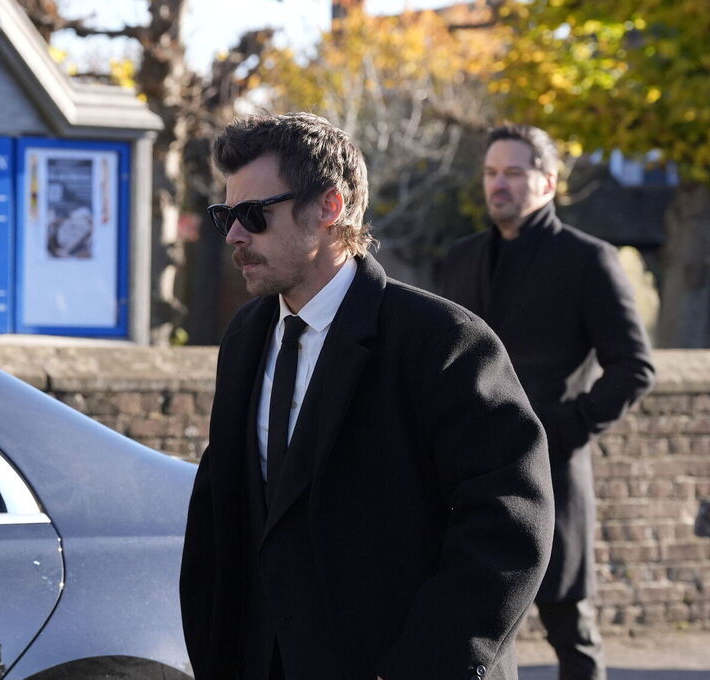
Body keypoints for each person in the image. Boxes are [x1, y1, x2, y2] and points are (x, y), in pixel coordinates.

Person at [180, 112, 555, 680]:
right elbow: (222, 512)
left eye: (255, 215)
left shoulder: (443, 342)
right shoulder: (246, 335)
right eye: (225, 215)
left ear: (329, 208)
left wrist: (427, 664)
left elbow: (509, 525)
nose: (234, 234)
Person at [442, 124, 655, 680]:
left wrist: (555, 430)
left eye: (514, 172)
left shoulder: (590, 261)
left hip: (553, 479)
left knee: (573, 637)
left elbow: (634, 368)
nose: (499, 184)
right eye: (491, 173)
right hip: (465, 482)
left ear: (548, 181)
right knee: (461, 641)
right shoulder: (459, 260)